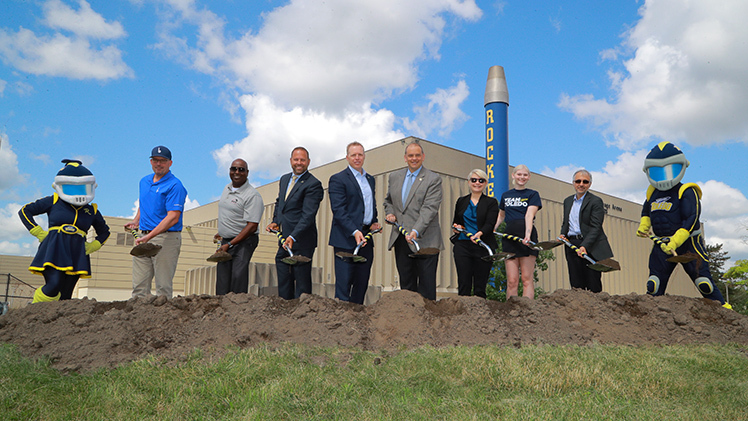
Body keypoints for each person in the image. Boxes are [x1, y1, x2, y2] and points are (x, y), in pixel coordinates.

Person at [637, 141, 729, 307]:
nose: (664, 176)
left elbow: (691, 219)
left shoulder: (686, 191)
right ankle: (650, 317)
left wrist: (676, 240)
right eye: (658, 171)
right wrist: (644, 224)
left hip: (689, 244)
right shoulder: (652, 193)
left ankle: (725, 311)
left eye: (670, 169)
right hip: (662, 244)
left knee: (704, 282)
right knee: (653, 284)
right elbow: (646, 211)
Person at [19, 159, 110, 303]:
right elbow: (25, 211)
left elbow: (104, 232)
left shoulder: (91, 210)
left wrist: (93, 246)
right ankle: (34, 309)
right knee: (53, 285)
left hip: (77, 253)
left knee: (66, 295)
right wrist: (37, 232)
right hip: (54, 248)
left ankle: (55, 323)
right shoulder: (53, 201)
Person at [383, 141, 443, 300]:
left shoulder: (433, 179)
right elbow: (388, 201)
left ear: (423, 157)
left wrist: (415, 231)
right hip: (401, 238)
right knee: (406, 288)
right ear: (405, 158)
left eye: (417, 155)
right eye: (411, 155)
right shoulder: (394, 177)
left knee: (426, 289)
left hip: (425, 240)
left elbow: (429, 208)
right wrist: (390, 213)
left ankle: (429, 322)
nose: (414, 158)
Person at [125, 146, 187, 298]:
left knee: (163, 288)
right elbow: (144, 203)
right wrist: (136, 220)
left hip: (166, 238)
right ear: (151, 161)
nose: (158, 164)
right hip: (143, 237)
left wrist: (150, 236)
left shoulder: (175, 185)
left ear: (170, 163)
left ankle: (163, 320)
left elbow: (173, 217)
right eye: (155, 160)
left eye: (163, 161)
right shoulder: (144, 181)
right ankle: (138, 317)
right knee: (139, 287)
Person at [328, 142, 382, 304]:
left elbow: (369, 205)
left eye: (360, 155)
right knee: (344, 286)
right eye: (353, 155)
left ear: (364, 156)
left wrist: (373, 222)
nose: (357, 158)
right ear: (347, 157)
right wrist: (354, 231)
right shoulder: (337, 179)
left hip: (366, 238)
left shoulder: (370, 179)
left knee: (361, 283)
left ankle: (358, 318)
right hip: (345, 239)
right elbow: (338, 210)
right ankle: (342, 322)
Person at [266, 147, 323, 300]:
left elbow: (308, 215)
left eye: (302, 160)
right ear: (291, 161)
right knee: (284, 277)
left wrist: (293, 236)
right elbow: (280, 203)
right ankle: (285, 312)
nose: (299, 163)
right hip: (284, 239)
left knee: (302, 285)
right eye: (296, 159)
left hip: (302, 241)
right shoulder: (285, 179)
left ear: (308, 162)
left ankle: (302, 317)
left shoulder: (313, 184)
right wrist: (275, 221)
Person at [214, 158, 264, 295]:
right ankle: (221, 310)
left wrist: (230, 243)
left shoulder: (252, 195)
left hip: (244, 241)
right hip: (226, 241)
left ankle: (238, 310)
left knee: (238, 277)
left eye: (241, 169)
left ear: (247, 173)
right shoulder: (227, 188)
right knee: (222, 280)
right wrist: (222, 232)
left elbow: (252, 226)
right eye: (233, 169)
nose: (237, 172)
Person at [559, 169, 613, 293]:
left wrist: (585, 246)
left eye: (585, 181)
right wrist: (563, 234)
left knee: (593, 283)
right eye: (578, 181)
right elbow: (566, 222)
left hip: (591, 246)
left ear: (590, 184)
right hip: (571, 245)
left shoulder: (595, 201)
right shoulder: (567, 201)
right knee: (576, 284)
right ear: (573, 183)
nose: (581, 184)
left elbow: (596, 227)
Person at [451, 169, 498, 298]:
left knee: (480, 285)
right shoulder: (461, 201)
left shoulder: (491, 202)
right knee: (464, 283)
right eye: (474, 180)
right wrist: (456, 227)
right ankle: (463, 314)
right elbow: (456, 221)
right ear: (469, 182)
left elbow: (490, 223)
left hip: (483, 245)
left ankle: (480, 315)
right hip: (463, 245)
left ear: (486, 183)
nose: (477, 183)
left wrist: (479, 234)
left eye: (481, 180)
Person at [496, 165, 542, 298]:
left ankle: (527, 311)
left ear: (529, 177)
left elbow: (529, 215)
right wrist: (492, 228)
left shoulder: (532, 194)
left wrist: (527, 235)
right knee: (512, 281)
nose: (522, 177)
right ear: (513, 175)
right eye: (519, 174)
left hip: (526, 238)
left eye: (525, 175)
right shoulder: (506, 195)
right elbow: (501, 215)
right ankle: (511, 310)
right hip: (509, 238)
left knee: (526, 279)